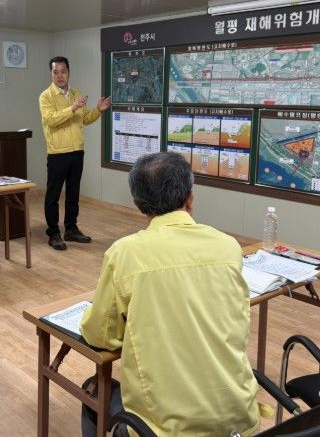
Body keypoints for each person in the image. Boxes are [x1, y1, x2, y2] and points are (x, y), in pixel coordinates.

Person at [79, 152, 260, 436]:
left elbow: (101, 336)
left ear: (138, 205)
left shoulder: (125, 253)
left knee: (93, 389)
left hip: (163, 430)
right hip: (239, 422)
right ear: (190, 198)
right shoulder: (228, 246)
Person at [39, 56, 111, 251]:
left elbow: (84, 119)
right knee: (53, 195)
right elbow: (51, 120)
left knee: (73, 193)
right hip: (57, 152)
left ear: (69, 72)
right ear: (51, 73)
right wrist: (72, 107)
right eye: (55, 72)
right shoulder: (46, 96)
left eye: (63, 71)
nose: (60, 76)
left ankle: (71, 228)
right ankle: (54, 232)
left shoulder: (76, 93)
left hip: (77, 151)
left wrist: (98, 110)